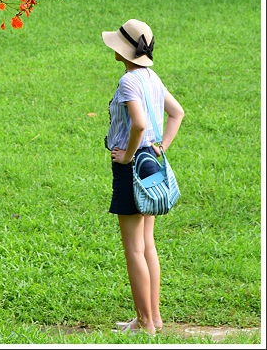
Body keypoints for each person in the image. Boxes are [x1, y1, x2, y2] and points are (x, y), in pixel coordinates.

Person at [102, 19, 185, 336]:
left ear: (124, 52)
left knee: (134, 249)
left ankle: (146, 324)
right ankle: (153, 318)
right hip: (152, 165)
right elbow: (177, 113)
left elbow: (137, 124)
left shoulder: (128, 83)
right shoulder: (151, 77)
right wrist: (161, 146)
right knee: (147, 245)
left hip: (131, 168)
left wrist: (126, 155)